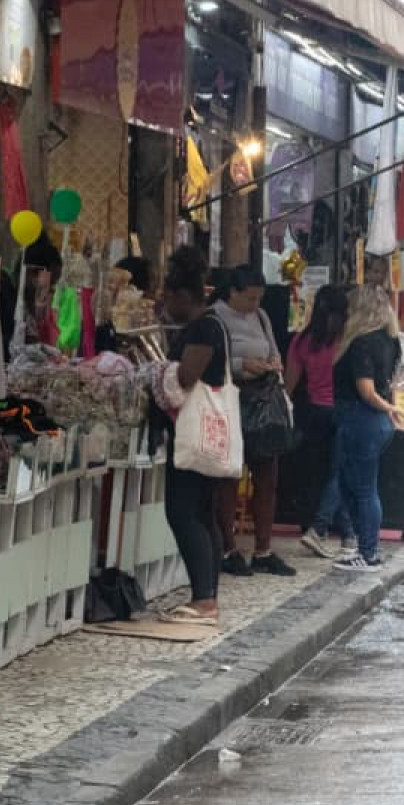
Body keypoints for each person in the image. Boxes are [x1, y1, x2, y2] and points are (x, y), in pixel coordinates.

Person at [157, 247, 229, 625]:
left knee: (184, 512)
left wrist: (158, 373)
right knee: (202, 512)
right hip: (206, 434)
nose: (167, 305)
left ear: (184, 295)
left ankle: (204, 600)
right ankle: (207, 595)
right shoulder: (213, 324)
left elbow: (187, 377)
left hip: (194, 432)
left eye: (169, 297)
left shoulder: (204, 328)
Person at [210, 265, 294, 577]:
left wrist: (273, 363)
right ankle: (228, 547)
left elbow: (274, 349)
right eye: (249, 298)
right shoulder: (216, 317)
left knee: (267, 477)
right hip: (232, 400)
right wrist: (243, 364)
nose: (254, 304)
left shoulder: (261, 317)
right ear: (232, 292)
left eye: (258, 299)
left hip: (263, 401)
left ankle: (263, 549)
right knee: (229, 477)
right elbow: (214, 359)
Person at [330, 286, 404, 572]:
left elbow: (366, 390)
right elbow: (394, 381)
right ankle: (366, 548)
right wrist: (390, 408)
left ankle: (368, 552)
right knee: (359, 486)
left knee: (361, 488)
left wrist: (387, 407)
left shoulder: (361, 343)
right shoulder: (391, 341)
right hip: (376, 422)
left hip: (361, 417)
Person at [287, 284, 354, 559]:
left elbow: (290, 383)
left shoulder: (302, 340)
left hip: (313, 412)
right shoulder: (347, 340)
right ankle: (332, 530)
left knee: (319, 473)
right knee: (340, 473)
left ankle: (331, 530)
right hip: (342, 410)